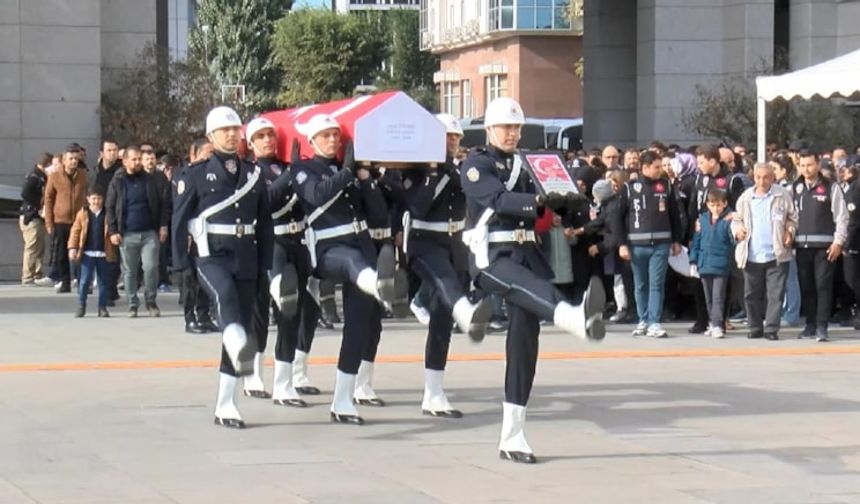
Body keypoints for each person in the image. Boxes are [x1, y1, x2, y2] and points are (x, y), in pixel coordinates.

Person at [460, 97, 605, 464]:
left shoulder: (528, 163)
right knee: (525, 287)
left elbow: (550, 204)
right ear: (490, 129)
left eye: (517, 127)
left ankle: (513, 434)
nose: (513, 133)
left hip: (529, 255)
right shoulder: (477, 164)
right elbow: (499, 199)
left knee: (524, 347)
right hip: (492, 256)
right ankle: (574, 317)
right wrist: (539, 201)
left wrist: (568, 201)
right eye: (507, 127)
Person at [290, 113, 399, 425]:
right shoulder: (303, 168)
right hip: (327, 249)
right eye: (325, 135)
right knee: (354, 266)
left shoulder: (349, 170)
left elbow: (377, 213)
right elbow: (315, 195)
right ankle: (380, 283)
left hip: (361, 245)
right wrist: (348, 172)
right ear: (312, 141)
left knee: (358, 326)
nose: (333, 140)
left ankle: (342, 400)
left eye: (336, 135)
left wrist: (366, 179)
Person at [172, 106, 274, 428]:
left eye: (235, 128)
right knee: (225, 296)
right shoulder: (195, 174)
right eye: (224, 129)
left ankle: (226, 403)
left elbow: (265, 226)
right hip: (210, 255)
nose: (231, 133)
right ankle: (236, 343)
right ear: (211, 136)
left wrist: (267, 267)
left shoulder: (254, 174)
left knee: (241, 324)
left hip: (246, 257)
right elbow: (178, 223)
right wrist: (179, 267)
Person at [401, 113, 493, 418]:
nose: (452, 142)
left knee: (442, 323)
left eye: (455, 137)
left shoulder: (458, 169)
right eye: (446, 136)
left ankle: (434, 392)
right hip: (424, 243)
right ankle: (464, 313)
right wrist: (435, 173)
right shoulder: (418, 170)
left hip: (454, 244)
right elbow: (417, 206)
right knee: (445, 286)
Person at [241, 117, 306, 406]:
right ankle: (252, 376)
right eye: (261, 136)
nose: (268, 140)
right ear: (251, 143)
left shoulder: (286, 167)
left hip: (297, 242)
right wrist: (292, 174)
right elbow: (265, 199)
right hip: (269, 243)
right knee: (259, 315)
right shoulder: (249, 172)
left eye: (271, 134)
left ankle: (284, 383)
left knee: (291, 314)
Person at [619, 150, 684, 338]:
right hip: (637, 244)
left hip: (661, 243)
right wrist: (622, 244)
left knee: (656, 283)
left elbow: (674, 214)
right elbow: (617, 217)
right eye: (656, 167)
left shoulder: (666, 186)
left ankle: (654, 322)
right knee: (640, 284)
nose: (660, 170)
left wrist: (676, 240)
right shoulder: (630, 188)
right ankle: (643, 319)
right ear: (645, 168)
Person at [732, 162, 798, 340]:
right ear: (754, 177)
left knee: (775, 294)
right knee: (751, 294)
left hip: (776, 253)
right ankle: (754, 326)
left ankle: (771, 329)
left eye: (766, 177)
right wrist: (737, 230)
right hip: (752, 254)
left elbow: (792, 218)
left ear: (772, 177)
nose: (762, 181)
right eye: (758, 177)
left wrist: (789, 231)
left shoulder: (781, 195)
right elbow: (736, 219)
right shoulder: (746, 197)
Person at [105, 146, 169, 318]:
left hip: (149, 233)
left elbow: (163, 204)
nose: (138, 162)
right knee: (129, 271)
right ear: (125, 161)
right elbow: (110, 207)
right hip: (127, 234)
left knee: (151, 268)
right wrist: (113, 231)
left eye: (139, 159)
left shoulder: (150, 180)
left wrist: (163, 226)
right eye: (134, 159)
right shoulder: (118, 181)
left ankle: (151, 301)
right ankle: (132, 304)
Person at [792, 151, 849, 342]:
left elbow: (841, 217)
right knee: (806, 286)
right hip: (801, 246)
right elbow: (790, 217)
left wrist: (838, 241)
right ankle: (810, 325)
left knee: (823, 286)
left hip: (825, 247)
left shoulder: (831, 187)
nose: (806, 169)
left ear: (817, 164)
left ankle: (822, 327)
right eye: (802, 165)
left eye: (809, 165)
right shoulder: (795, 187)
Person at [175, 139, 218, 334]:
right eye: (208, 153)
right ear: (197, 154)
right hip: (193, 236)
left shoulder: (218, 175)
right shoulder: (190, 175)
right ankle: (190, 317)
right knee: (190, 279)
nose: (211, 157)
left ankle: (204, 315)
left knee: (205, 279)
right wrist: (180, 248)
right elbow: (180, 215)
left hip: (211, 237)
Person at [689, 190, 735, 339]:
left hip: (721, 265)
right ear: (707, 205)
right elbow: (696, 242)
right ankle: (711, 322)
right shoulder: (701, 220)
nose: (716, 208)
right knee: (708, 297)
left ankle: (717, 324)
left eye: (719, 205)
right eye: (713, 205)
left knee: (718, 297)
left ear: (725, 204)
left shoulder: (729, 220)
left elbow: (733, 241)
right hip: (704, 264)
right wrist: (693, 261)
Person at [44, 144, 88, 293]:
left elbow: (87, 195)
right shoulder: (54, 176)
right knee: (62, 253)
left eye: (76, 158)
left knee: (82, 250)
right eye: (71, 159)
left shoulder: (83, 175)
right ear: (64, 160)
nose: (74, 161)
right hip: (60, 220)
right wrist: (49, 222)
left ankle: (83, 281)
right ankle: (65, 281)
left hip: (79, 220)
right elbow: (48, 199)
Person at [68, 185, 116, 318]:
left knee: (103, 282)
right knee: (84, 281)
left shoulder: (108, 214)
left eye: (99, 199)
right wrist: (73, 247)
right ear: (88, 199)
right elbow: (75, 231)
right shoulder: (83, 214)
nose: (96, 202)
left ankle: (102, 307)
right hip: (87, 253)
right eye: (94, 199)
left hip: (103, 253)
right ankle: (81, 305)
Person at [20, 153, 51, 286]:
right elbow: (25, 193)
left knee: (39, 247)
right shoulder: (35, 176)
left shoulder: (42, 176)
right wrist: (38, 205)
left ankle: (37, 274)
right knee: (32, 247)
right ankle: (27, 277)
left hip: (38, 218)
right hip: (31, 216)